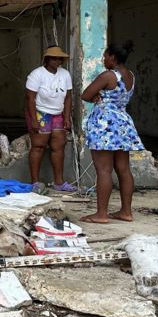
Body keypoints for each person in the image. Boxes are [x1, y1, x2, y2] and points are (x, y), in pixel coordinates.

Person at [80, 42, 143, 224]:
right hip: (123, 123)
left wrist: (96, 96)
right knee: (123, 169)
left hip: (105, 124)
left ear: (113, 57)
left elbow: (85, 94)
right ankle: (126, 211)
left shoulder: (108, 76)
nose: (103, 59)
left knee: (104, 170)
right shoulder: (130, 76)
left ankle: (101, 214)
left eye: (105, 56)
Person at [25, 46, 76, 192]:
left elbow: (68, 97)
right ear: (47, 59)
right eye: (54, 58)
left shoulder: (65, 74)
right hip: (40, 113)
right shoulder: (37, 74)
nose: (57, 61)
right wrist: (34, 119)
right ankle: (35, 182)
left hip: (58, 113)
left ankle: (59, 182)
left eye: (60, 58)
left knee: (58, 147)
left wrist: (67, 117)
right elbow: (30, 98)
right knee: (38, 146)